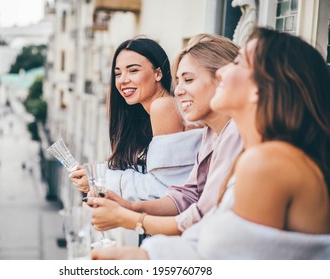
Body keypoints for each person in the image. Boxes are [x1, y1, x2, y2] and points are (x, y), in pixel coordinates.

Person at [92, 27, 330, 260]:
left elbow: (218, 255)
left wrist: (134, 228)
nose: (223, 73)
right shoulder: (235, 144)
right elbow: (196, 210)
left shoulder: (266, 162)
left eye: (238, 64)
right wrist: (133, 225)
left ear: (261, 88)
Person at [86, 34, 242, 236]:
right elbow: (187, 194)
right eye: (178, 81)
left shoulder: (237, 134)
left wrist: (131, 218)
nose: (178, 91)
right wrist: (129, 208)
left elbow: (203, 216)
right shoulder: (212, 133)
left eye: (188, 80)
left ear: (222, 80)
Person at [70, 37, 203, 201]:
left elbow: (161, 189)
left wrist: (101, 180)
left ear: (158, 73)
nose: (123, 80)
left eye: (133, 70)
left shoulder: (163, 107)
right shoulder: (144, 117)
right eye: (118, 73)